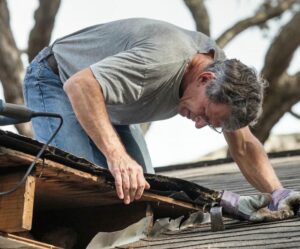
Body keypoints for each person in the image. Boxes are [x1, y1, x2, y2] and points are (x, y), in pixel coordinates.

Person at [23, 18, 300, 220]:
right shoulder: (159, 63)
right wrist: (117, 156)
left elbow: (243, 144)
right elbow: (80, 86)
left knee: (145, 198)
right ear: (205, 79)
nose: (199, 123)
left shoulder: (226, 78)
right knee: (84, 188)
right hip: (57, 80)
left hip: (107, 99)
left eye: (210, 124)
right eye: (204, 114)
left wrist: (278, 194)